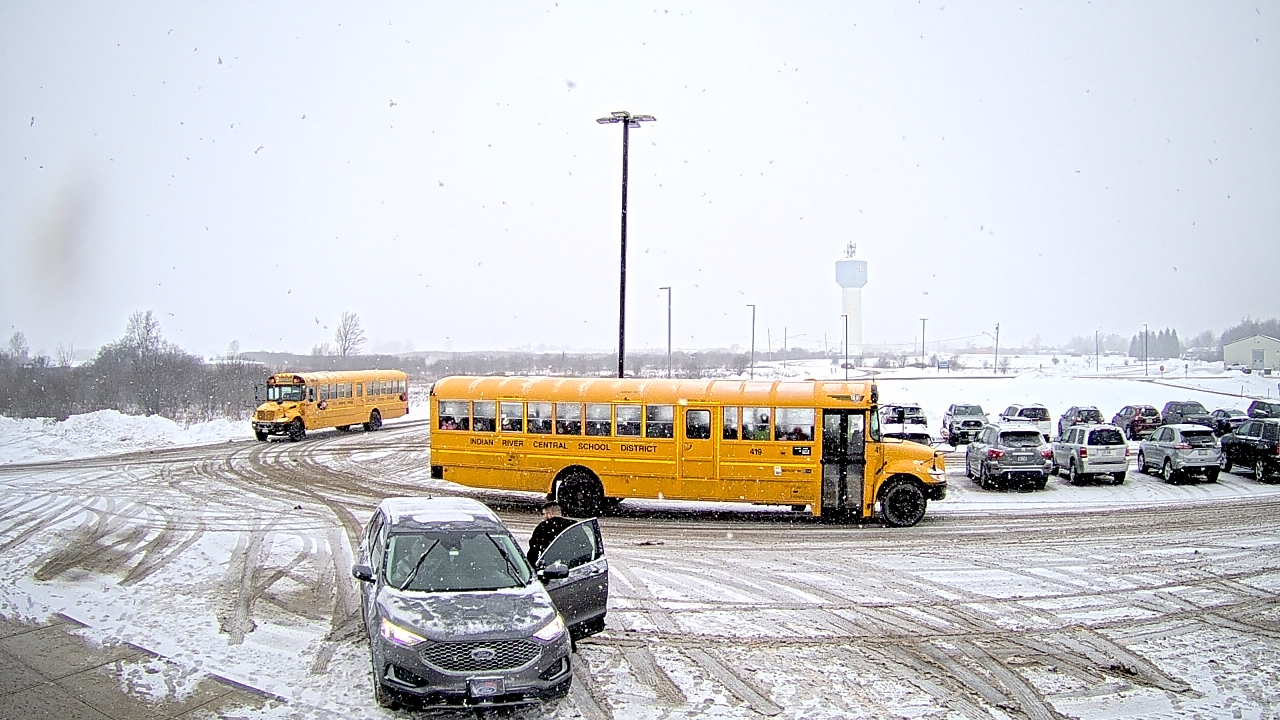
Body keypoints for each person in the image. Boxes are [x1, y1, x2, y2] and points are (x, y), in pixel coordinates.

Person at [526, 500, 576, 566]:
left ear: (549, 514)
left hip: (548, 567)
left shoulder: (542, 527)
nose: (543, 517)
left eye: (543, 514)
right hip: (572, 566)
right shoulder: (573, 526)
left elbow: (533, 552)